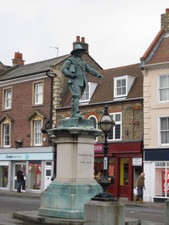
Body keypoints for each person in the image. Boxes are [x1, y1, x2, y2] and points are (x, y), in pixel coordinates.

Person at [61, 44, 103, 119]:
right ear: (76, 52)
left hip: (82, 82)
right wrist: (70, 74)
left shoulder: (83, 62)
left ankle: (73, 115)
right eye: (80, 52)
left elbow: (90, 69)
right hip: (74, 81)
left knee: (76, 98)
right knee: (76, 96)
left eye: (82, 52)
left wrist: (98, 74)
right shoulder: (70, 60)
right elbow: (63, 69)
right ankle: (76, 113)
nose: (82, 54)